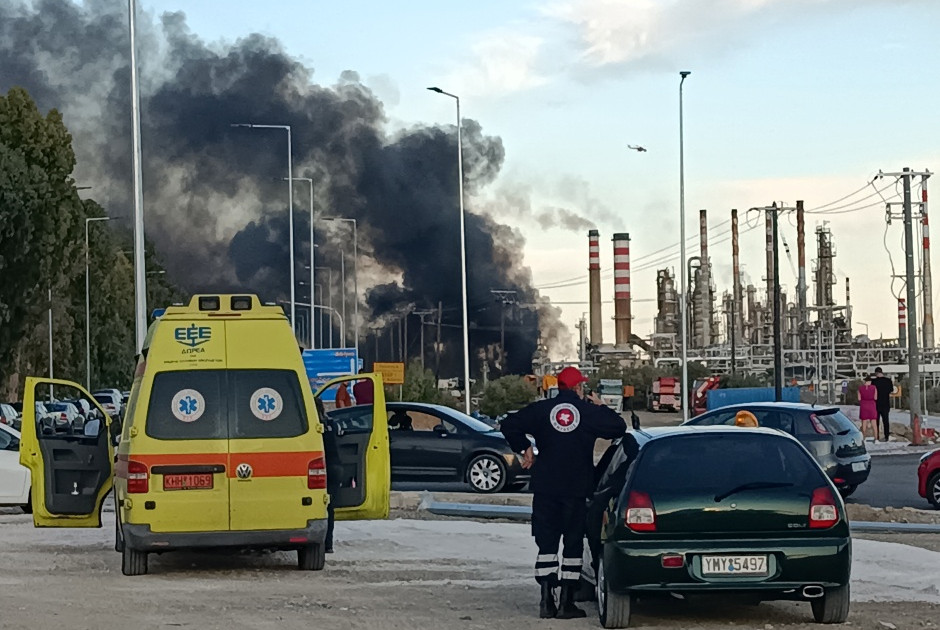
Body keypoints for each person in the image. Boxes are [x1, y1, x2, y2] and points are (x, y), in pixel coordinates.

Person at [501, 366, 626, 619]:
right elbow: (618, 427)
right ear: (579, 388)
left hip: (546, 488)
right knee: (571, 545)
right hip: (576, 489)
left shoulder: (542, 410)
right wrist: (600, 405)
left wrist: (524, 446)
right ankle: (566, 603)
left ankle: (546, 600)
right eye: (583, 387)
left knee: (546, 544)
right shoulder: (588, 412)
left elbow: (508, 424)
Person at [871, 367, 894, 442]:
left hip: (876, 404)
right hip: (886, 403)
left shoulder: (874, 382)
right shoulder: (888, 381)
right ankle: (886, 436)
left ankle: (876, 436)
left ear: (876, 373)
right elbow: (891, 390)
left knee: (876, 421)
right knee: (886, 421)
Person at [858, 376, 879, 441]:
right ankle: (876, 438)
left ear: (865, 381)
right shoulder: (874, 388)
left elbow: (859, 398)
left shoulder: (860, 388)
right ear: (870, 382)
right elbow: (875, 398)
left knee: (864, 423)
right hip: (872, 405)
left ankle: (864, 438)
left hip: (863, 405)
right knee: (874, 423)